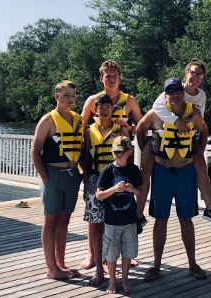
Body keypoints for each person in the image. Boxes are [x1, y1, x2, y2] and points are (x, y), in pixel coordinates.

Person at [136, 78, 207, 281]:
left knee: (186, 219)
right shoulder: (156, 113)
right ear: (165, 94)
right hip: (162, 172)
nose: (175, 94)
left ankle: (193, 264)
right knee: (161, 219)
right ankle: (156, 265)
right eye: (171, 91)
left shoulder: (193, 113)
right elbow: (140, 129)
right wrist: (147, 150)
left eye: (178, 90)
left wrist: (197, 150)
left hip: (185, 173)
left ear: (182, 93)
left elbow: (203, 130)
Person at [139, 59, 211, 224]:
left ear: (203, 77)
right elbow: (157, 108)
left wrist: (200, 145)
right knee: (145, 171)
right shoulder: (175, 89)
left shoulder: (202, 95)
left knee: (200, 166)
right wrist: (175, 121)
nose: (195, 77)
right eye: (192, 73)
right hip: (163, 138)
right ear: (186, 74)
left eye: (199, 74)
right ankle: (138, 215)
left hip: (187, 139)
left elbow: (201, 123)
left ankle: (210, 209)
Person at [80, 60, 144, 269]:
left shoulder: (130, 101)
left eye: (114, 74)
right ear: (102, 78)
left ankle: (127, 254)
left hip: (120, 167)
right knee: (95, 217)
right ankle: (92, 254)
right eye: (107, 75)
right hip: (97, 170)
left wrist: (129, 127)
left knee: (123, 212)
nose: (112, 78)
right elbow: (81, 129)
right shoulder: (93, 101)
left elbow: (141, 129)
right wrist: (83, 172)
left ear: (120, 77)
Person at [30, 80, 83, 279]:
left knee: (65, 221)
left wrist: (81, 174)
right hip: (53, 175)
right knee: (50, 221)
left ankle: (61, 264)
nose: (71, 99)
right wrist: (46, 178)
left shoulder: (78, 119)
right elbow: (35, 152)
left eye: (74, 96)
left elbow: (82, 148)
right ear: (57, 96)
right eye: (67, 95)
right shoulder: (48, 120)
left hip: (72, 177)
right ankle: (51, 268)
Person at [81, 94, 130, 285]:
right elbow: (85, 160)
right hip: (95, 180)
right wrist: (86, 185)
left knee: (116, 224)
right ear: (95, 109)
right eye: (101, 107)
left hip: (116, 179)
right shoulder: (88, 131)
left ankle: (112, 266)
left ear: (112, 108)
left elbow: (128, 157)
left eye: (108, 107)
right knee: (97, 225)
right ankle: (100, 269)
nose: (104, 110)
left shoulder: (121, 129)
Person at [96, 136, 142, 294]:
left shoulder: (134, 170)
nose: (118, 154)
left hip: (129, 219)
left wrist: (132, 189)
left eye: (121, 151)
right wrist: (114, 189)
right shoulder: (107, 170)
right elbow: (99, 195)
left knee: (128, 252)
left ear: (129, 152)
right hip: (111, 220)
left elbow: (141, 193)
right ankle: (112, 282)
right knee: (111, 253)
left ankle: (125, 281)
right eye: (115, 151)